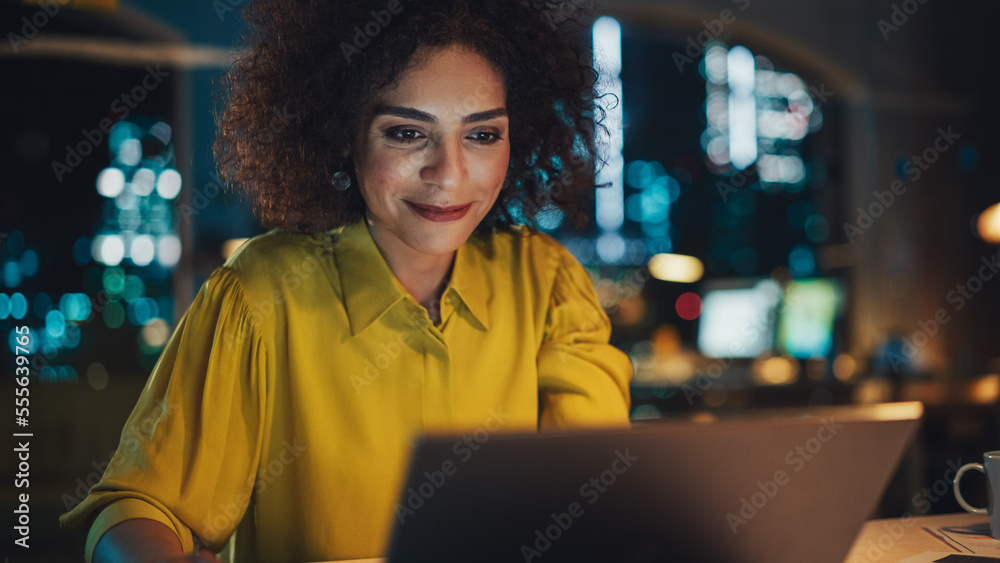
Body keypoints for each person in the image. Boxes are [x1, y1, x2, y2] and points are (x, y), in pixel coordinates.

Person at [60, 0, 632, 561]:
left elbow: (601, 505)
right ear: (342, 135)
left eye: (482, 136)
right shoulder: (260, 294)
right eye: (407, 134)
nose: (449, 174)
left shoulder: (547, 283)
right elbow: (137, 507)